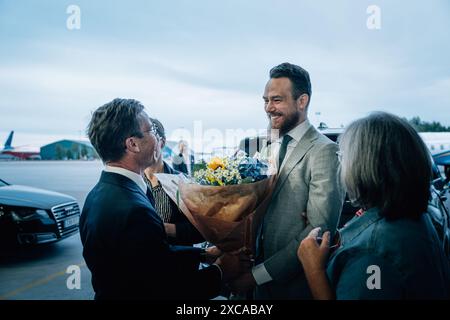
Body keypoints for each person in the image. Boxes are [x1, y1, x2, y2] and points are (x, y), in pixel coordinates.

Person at [79, 98, 247, 300]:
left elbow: (148, 258)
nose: (156, 138)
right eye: (151, 131)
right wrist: (221, 271)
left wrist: (203, 254)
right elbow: (163, 289)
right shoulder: (134, 211)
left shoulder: (99, 194)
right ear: (132, 144)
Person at [298, 112, 450, 299]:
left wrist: (314, 271)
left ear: (363, 166)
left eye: (343, 156)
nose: (342, 164)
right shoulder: (420, 216)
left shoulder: (371, 254)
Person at [231, 63, 345, 299]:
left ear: (302, 101)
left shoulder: (325, 151)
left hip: (289, 288)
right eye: (265, 100)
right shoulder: (264, 145)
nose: (268, 108)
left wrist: (257, 276)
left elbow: (317, 231)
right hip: (248, 285)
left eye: (277, 100)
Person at [143, 118, 204, 245]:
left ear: (162, 142)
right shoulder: (132, 182)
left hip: (179, 260)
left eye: (147, 140)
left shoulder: (181, 181)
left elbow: (201, 230)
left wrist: (167, 229)